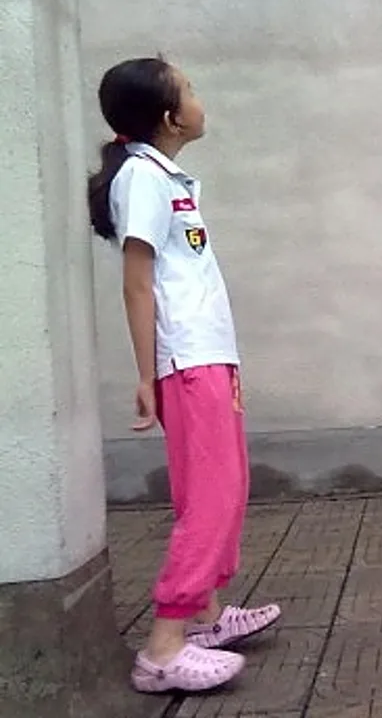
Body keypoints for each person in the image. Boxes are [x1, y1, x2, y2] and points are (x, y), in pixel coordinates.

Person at [87, 57, 281, 692]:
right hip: (186, 361)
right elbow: (137, 283)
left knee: (224, 486)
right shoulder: (143, 177)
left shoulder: (163, 176)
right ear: (170, 118)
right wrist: (147, 375)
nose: (200, 99)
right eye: (190, 90)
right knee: (211, 497)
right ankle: (164, 648)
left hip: (208, 356)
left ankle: (206, 616)